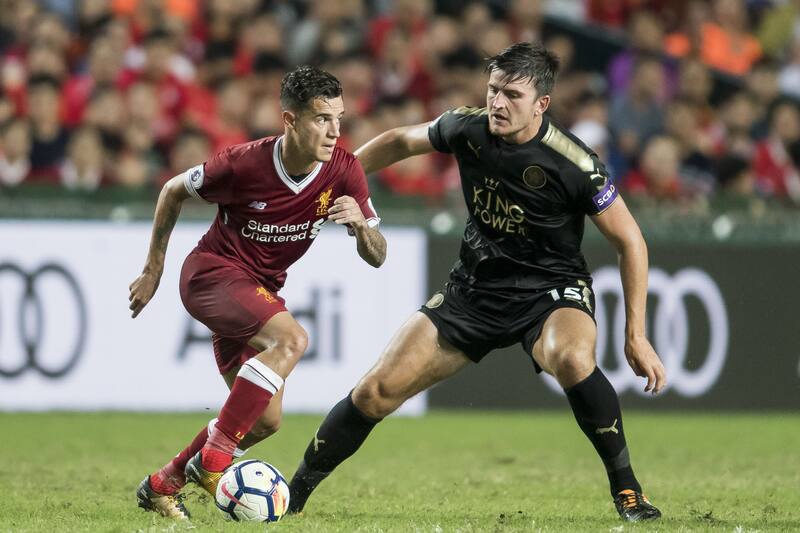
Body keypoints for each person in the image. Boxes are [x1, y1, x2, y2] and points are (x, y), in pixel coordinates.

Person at [287, 42, 666, 522]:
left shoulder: (574, 162)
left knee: (571, 357)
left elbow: (631, 241)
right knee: (373, 392)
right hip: (473, 290)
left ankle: (627, 490)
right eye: (492, 90)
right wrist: (333, 180)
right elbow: (401, 140)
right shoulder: (466, 128)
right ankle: (292, 495)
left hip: (549, 292)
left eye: (512, 95)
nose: (497, 103)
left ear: (542, 104)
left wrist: (636, 334)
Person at [129, 66, 386, 519]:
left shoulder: (345, 171)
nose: (335, 131)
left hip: (257, 292)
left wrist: (361, 227)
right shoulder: (243, 163)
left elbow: (378, 256)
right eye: (322, 119)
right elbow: (171, 191)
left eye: (339, 119)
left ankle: (162, 484)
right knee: (292, 339)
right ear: (290, 119)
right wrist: (153, 270)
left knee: (264, 420)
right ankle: (214, 460)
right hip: (212, 275)